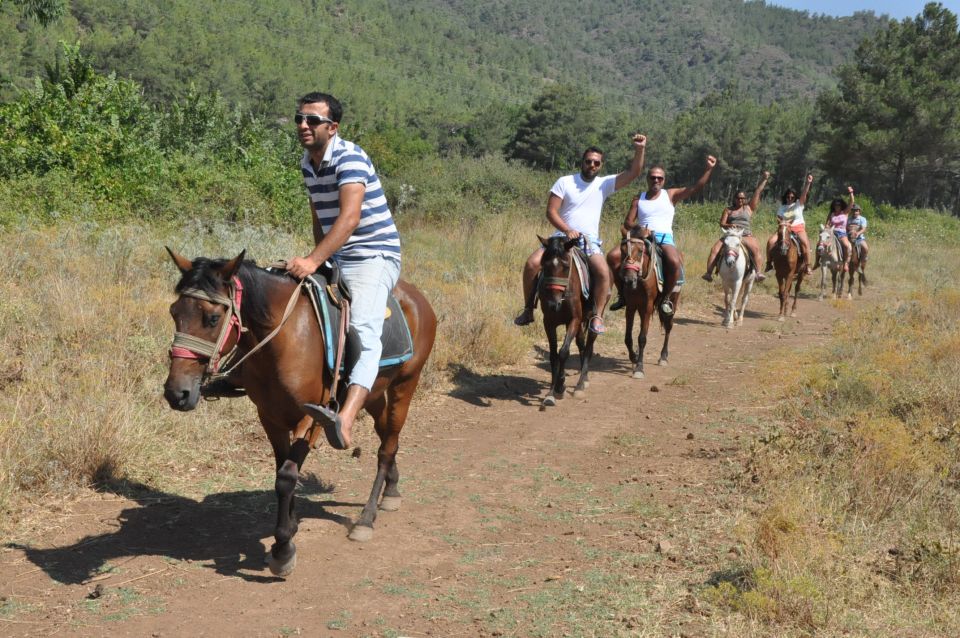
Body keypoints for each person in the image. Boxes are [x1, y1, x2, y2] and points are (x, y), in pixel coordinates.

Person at [285, 92, 400, 451]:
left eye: (313, 120)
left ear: (332, 128)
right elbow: (320, 217)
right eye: (300, 119)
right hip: (338, 255)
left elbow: (349, 218)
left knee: (364, 331)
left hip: (373, 254)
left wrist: (314, 261)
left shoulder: (349, 157)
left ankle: (346, 419)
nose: (304, 125)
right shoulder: (308, 162)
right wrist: (318, 258)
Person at [513, 135, 648, 334]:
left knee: (603, 273)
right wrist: (567, 230)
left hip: (588, 241)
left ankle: (597, 317)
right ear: (582, 162)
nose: (592, 165)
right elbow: (551, 211)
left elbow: (634, 172)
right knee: (532, 263)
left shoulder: (604, 184)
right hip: (561, 238)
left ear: (601, 165)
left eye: (596, 163)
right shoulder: (565, 182)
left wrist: (639, 149)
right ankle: (528, 309)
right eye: (588, 161)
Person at [608, 154, 718, 314]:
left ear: (664, 180)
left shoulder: (671, 195)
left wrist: (708, 169)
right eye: (653, 178)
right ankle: (622, 295)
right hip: (641, 239)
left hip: (664, 238)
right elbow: (628, 222)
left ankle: (666, 298)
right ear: (647, 179)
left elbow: (695, 188)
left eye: (660, 178)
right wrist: (641, 228)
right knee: (612, 256)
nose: (656, 181)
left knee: (674, 261)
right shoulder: (639, 198)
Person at [701, 171, 770, 282]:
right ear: (734, 198)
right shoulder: (728, 210)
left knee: (756, 249)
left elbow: (758, 192)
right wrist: (730, 225)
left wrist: (764, 179)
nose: (740, 200)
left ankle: (758, 272)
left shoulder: (748, 208)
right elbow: (722, 224)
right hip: (731, 235)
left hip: (745, 235)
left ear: (745, 199)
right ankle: (708, 273)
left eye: (742, 198)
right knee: (715, 249)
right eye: (738, 198)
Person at [764, 174, 814, 275]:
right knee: (770, 241)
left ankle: (808, 265)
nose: (790, 198)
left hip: (798, 227)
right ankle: (769, 263)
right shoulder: (782, 207)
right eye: (788, 196)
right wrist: (783, 224)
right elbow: (779, 218)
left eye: (792, 197)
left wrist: (808, 183)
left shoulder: (798, 204)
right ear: (785, 197)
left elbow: (804, 194)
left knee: (805, 243)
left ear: (795, 197)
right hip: (785, 228)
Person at [823, 186, 855, 272]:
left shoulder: (845, 212)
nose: (837, 206)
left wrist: (851, 193)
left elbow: (851, 202)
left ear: (841, 205)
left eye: (839, 205)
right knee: (821, 243)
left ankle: (845, 263)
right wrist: (826, 228)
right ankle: (818, 261)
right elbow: (827, 224)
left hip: (841, 233)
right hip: (832, 233)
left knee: (847, 246)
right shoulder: (832, 214)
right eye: (836, 205)